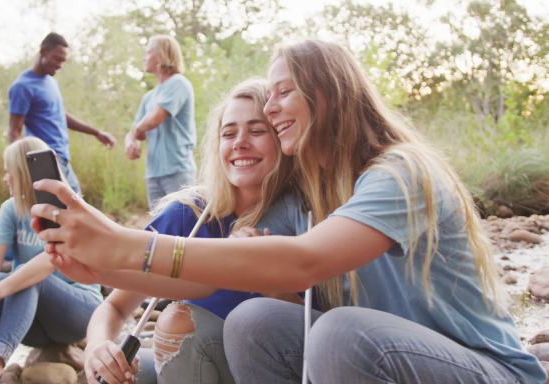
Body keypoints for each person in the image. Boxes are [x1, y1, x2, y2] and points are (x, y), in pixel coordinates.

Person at [31, 39, 547, 384]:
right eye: (265, 100)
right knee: (254, 319)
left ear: (329, 93)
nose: (272, 108)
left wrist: (125, 242)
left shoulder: (399, 172)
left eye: (283, 93)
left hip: (484, 370)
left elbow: (303, 263)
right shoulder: (309, 199)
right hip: (390, 366)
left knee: (339, 330)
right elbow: (211, 280)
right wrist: (102, 267)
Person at [73, 79, 295, 384]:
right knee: (121, 377)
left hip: (267, 369)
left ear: (282, 139)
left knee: (180, 322)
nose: (239, 143)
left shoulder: (303, 218)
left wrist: (266, 279)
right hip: (193, 368)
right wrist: (97, 348)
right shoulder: (189, 213)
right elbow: (114, 305)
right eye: (228, 133)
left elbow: (313, 327)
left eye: (257, 131)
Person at [0, 137, 103, 384]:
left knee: (26, 280)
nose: (5, 178)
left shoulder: (69, 209)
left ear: (23, 172)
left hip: (78, 314)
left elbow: (48, 262)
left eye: (9, 172)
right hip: (33, 324)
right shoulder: (11, 209)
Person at [8, 32, 116, 194]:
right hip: (44, 159)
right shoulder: (23, 86)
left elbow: (59, 115)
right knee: (72, 209)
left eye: (63, 61)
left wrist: (96, 132)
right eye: (57, 59)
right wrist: (16, 168)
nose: (60, 65)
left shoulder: (50, 82)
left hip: (61, 157)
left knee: (69, 210)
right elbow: (14, 130)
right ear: (43, 52)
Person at [125, 35, 197, 209]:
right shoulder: (148, 97)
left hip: (177, 170)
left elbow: (156, 118)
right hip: (153, 173)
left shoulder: (179, 83)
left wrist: (136, 132)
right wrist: (130, 142)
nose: (144, 57)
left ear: (162, 55)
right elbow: (135, 129)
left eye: (149, 52)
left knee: (183, 225)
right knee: (160, 225)